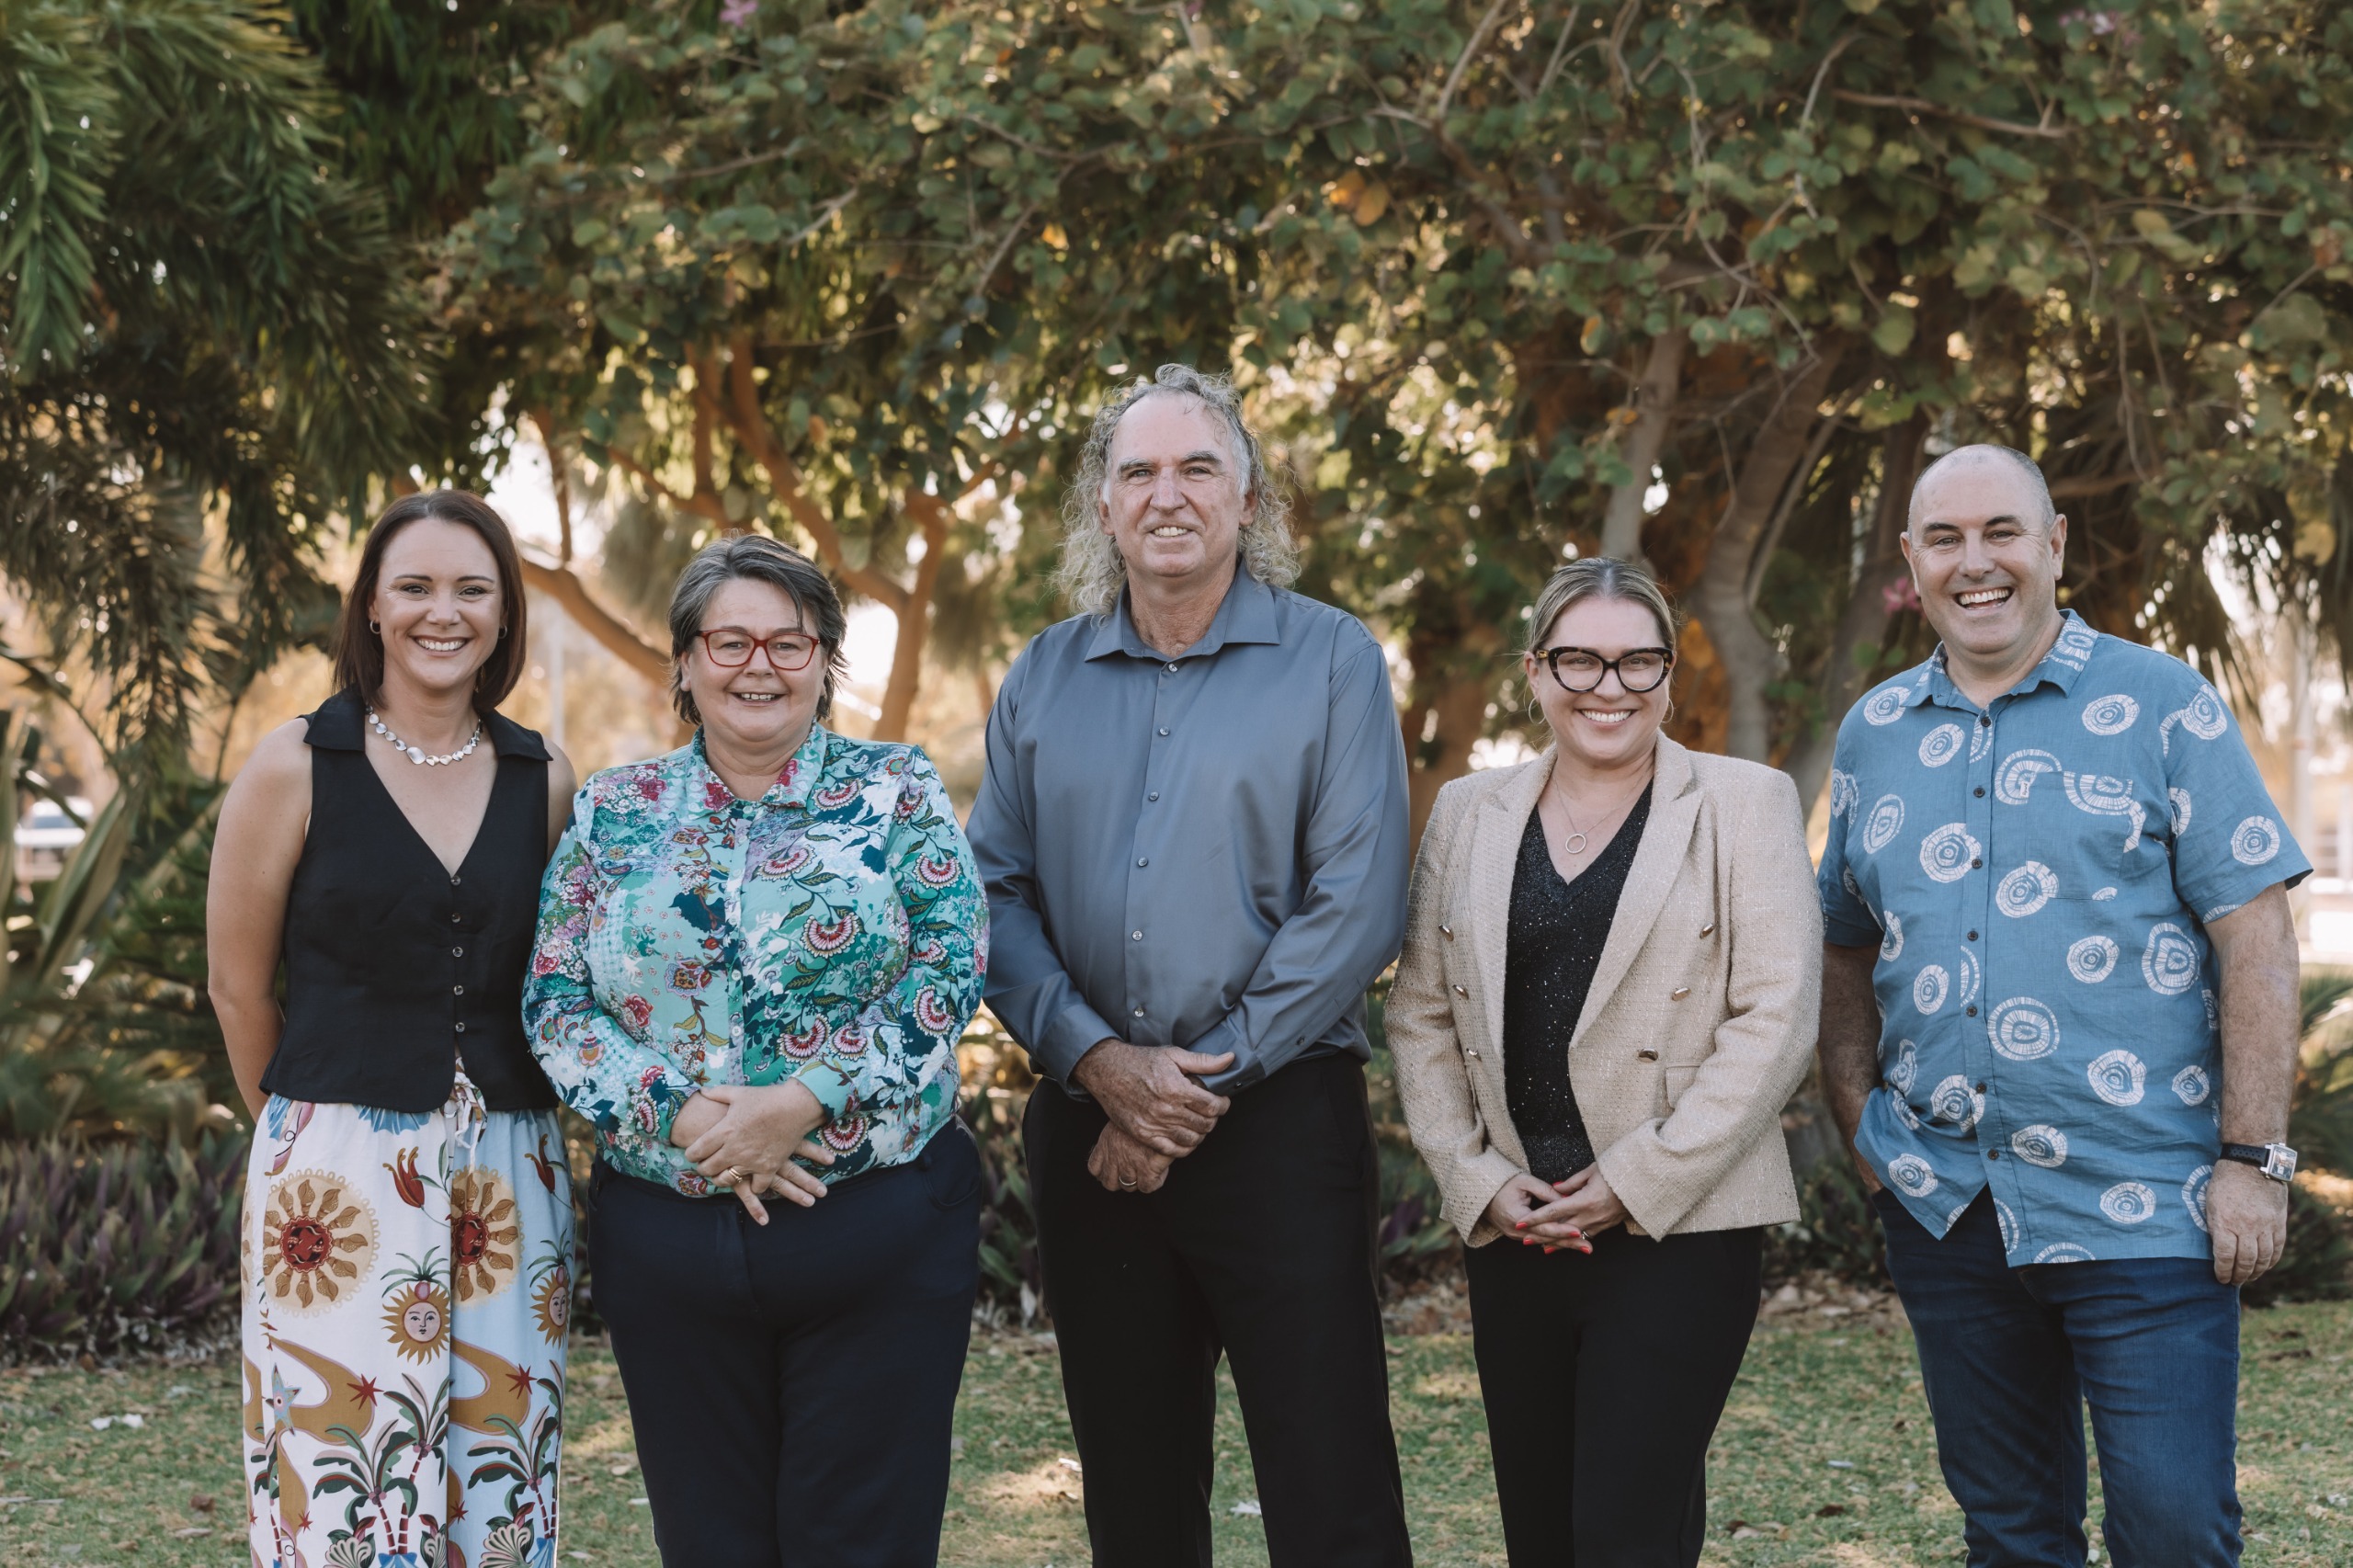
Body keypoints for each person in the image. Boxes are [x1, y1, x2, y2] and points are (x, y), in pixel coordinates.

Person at [1816, 444, 2309, 1568]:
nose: (1974, 561)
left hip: (2148, 1199)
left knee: (2175, 1529)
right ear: (1909, 562)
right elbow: (1842, 941)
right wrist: (1857, 1118)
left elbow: (2256, 934)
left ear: (2052, 545)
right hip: (1949, 1202)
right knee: (2012, 1534)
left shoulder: (2160, 702)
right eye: (1943, 538)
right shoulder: (1872, 734)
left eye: (2001, 531)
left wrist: (2253, 1155)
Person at [967, 365, 1414, 1567]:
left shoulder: (1332, 661)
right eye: (1140, 471)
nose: (1169, 495)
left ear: (1248, 498)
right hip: (1089, 1132)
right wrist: (1101, 1062)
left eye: (1198, 468)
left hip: (1280, 1129)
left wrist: (1182, 1091)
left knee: (1333, 1490)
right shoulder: (1042, 676)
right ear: (1102, 507)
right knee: (1135, 1492)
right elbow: (990, 895)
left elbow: (1357, 902)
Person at [523, 533, 985, 1567]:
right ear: (684, 662)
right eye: (729, 641)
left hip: (875, 1230)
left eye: (789, 640)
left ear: (824, 660)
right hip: (669, 1239)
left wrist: (805, 1096)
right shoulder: (613, 809)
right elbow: (556, 1001)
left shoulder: (896, 790)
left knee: (860, 1543)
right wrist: (686, 1116)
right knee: (710, 1544)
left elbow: (951, 963)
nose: (758, 665)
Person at [1387, 558, 1822, 1567]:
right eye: (1579, 658)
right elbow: (1419, 1012)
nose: (1608, 686)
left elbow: (1777, 1014)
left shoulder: (1743, 803)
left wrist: (1635, 1178)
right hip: (1519, 1220)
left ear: (1671, 675)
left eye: (1637, 661)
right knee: (1540, 1533)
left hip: (1677, 1221)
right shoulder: (1467, 811)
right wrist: (1474, 1175)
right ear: (1536, 671)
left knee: (1625, 1535)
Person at [210, 490, 578, 1568]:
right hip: (332, 1182)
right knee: (339, 1472)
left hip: (512, 1178)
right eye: (413, 586)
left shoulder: (543, 777)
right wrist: (305, 1137)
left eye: (472, 588)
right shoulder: (293, 765)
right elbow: (239, 988)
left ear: (505, 612)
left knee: (500, 1472)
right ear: (371, 604)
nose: (442, 611)